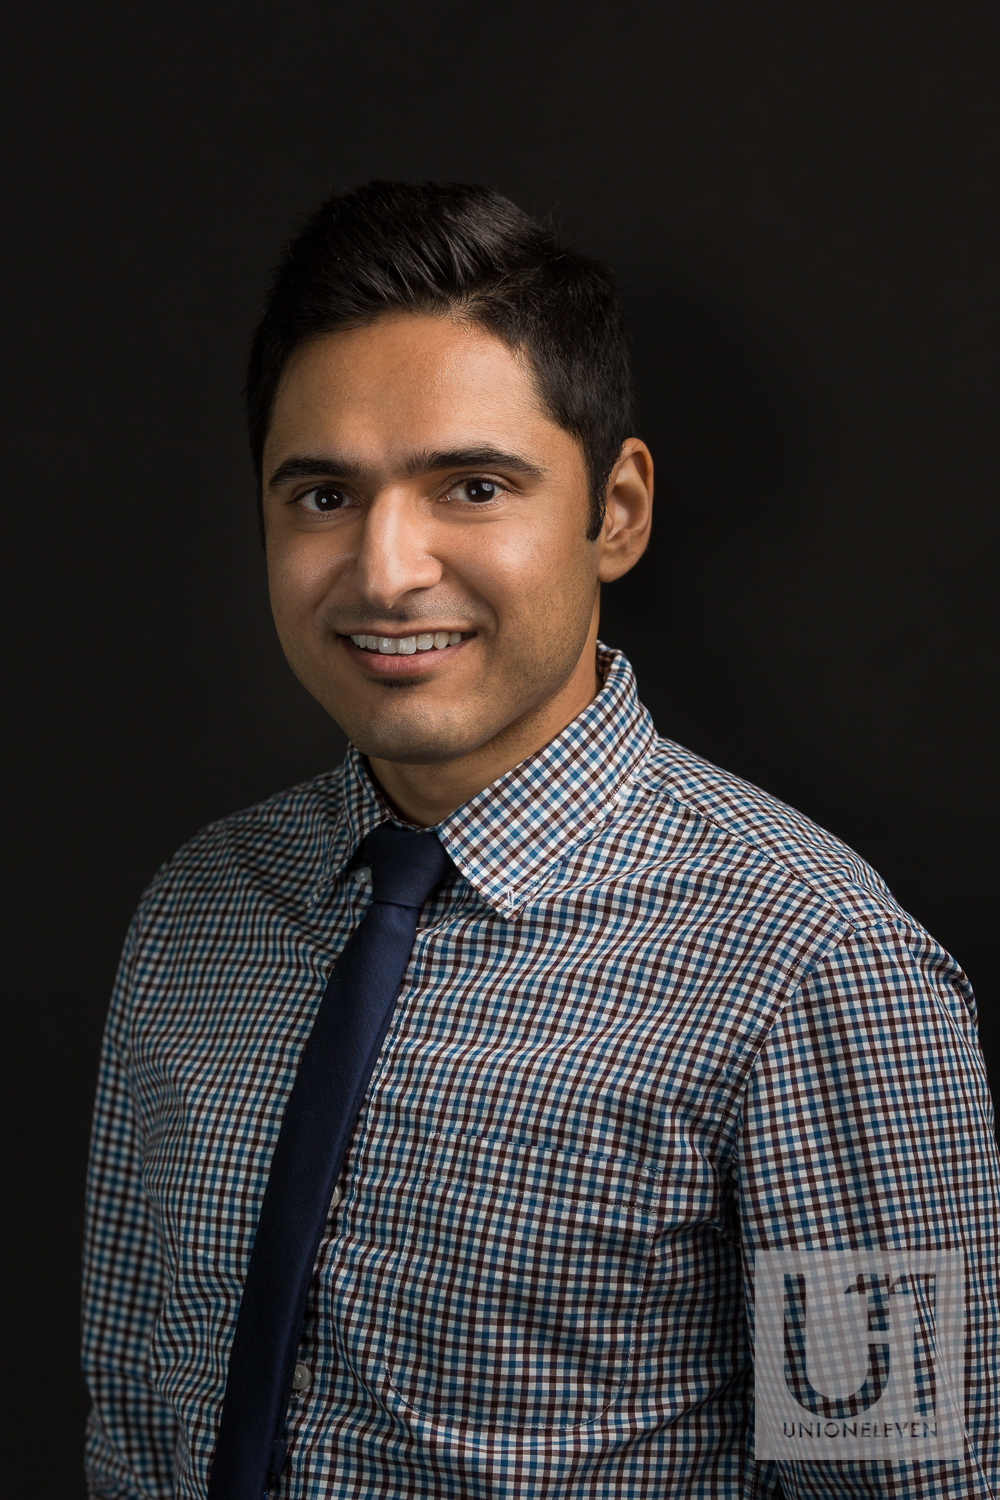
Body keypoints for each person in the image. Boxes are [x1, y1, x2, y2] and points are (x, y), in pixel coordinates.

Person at [82, 181, 1000, 1500]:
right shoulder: (195, 914)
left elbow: (900, 1488)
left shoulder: (818, 972)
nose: (388, 569)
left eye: (471, 484)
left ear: (614, 510)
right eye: (323, 496)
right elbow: (129, 1419)